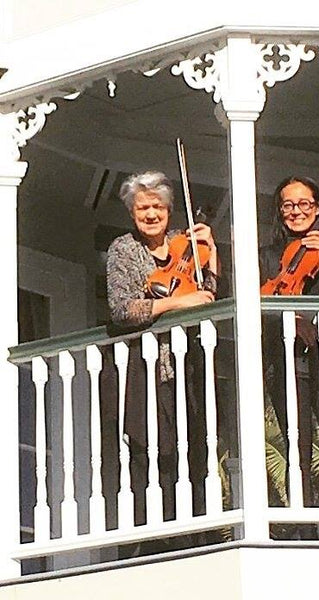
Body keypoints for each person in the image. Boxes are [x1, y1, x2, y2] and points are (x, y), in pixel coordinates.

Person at [103, 170, 218, 526]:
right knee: (153, 449)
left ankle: (194, 530)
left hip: (187, 362)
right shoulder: (124, 249)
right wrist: (175, 305)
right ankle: (154, 531)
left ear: (169, 209)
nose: (151, 214)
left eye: (158, 207)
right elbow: (123, 309)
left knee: (194, 446)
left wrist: (211, 251)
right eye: (142, 208)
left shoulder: (188, 245)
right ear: (131, 212)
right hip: (144, 366)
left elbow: (209, 292)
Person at [260, 176, 319, 539]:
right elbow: (262, 299)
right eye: (288, 204)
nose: (297, 212)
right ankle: (305, 531)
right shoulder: (268, 256)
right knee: (297, 444)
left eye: (305, 204)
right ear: (280, 211)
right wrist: (293, 318)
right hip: (285, 360)